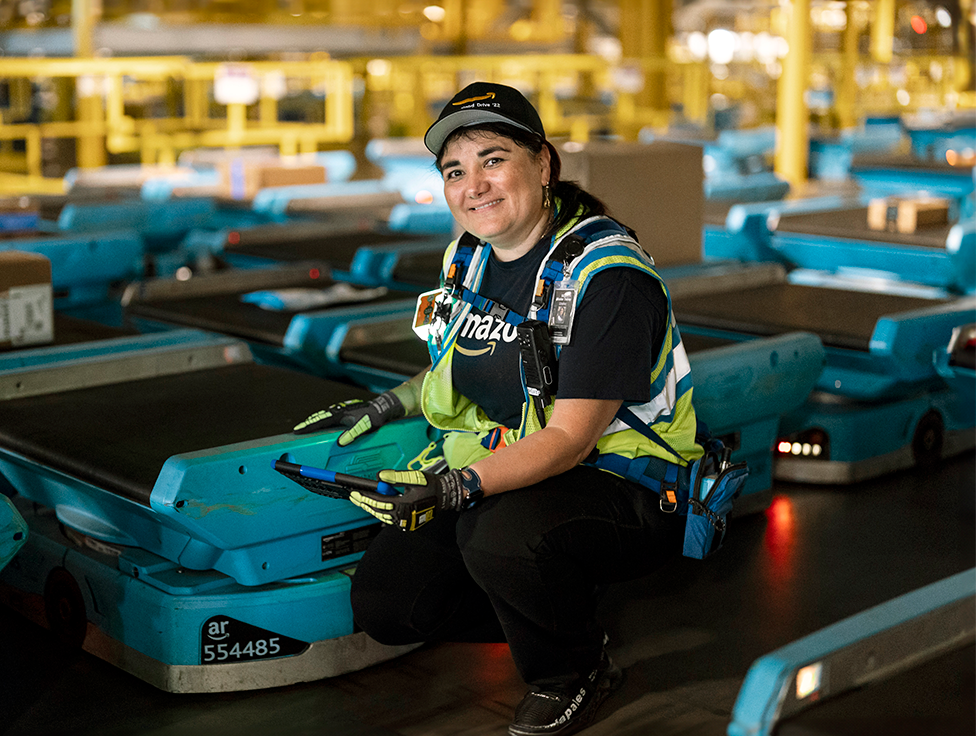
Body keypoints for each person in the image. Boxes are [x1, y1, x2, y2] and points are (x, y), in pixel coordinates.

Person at [294, 81, 703, 736]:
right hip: (508, 478)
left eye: (492, 159)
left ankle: (573, 667)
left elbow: (571, 438)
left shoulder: (607, 277)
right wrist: (385, 405)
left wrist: (454, 486)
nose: (473, 185)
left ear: (542, 164)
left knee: (499, 537)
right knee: (388, 604)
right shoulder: (469, 257)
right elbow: (458, 361)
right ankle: (552, 600)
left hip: (626, 489)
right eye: (455, 170)